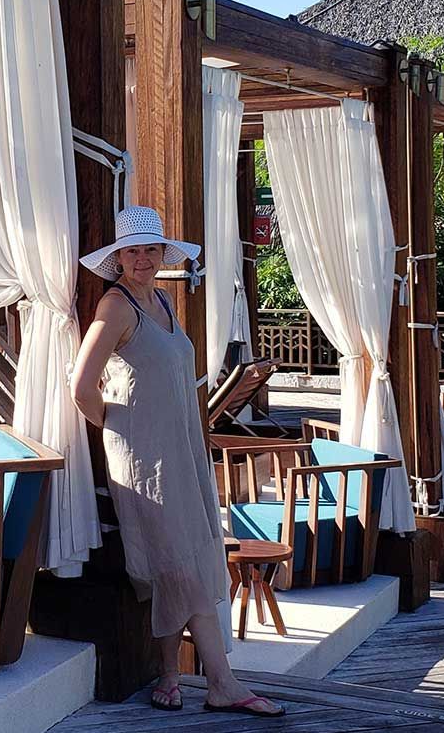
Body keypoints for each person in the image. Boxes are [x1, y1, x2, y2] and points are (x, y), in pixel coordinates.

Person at [70, 206, 283, 718]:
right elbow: (81, 388)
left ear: (163, 254)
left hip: (180, 455)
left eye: (150, 249)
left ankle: (169, 674)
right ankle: (224, 683)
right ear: (117, 258)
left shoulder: (163, 301)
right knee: (181, 565)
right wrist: (127, 430)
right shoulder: (115, 308)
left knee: (180, 564)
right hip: (145, 464)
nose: (142, 259)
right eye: (132, 251)